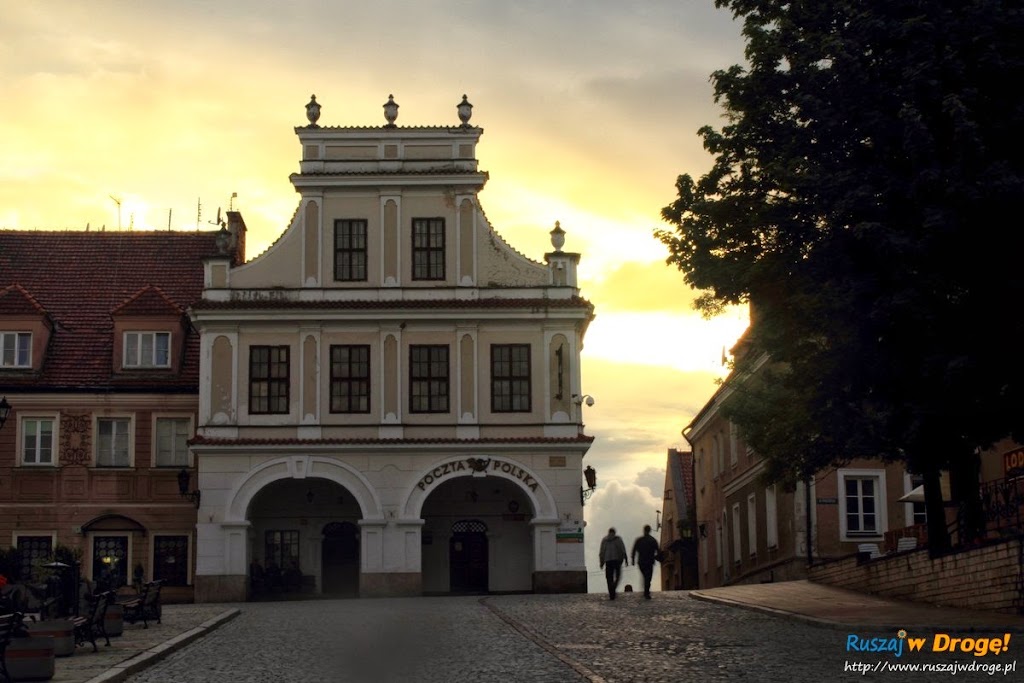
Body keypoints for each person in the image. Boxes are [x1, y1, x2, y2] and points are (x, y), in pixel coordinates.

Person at [631, 524, 662, 599]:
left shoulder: (639, 540)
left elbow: (634, 550)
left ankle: (646, 591)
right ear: (649, 531)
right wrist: (659, 558)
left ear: (644, 530)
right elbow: (658, 550)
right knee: (648, 577)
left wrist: (633, 560)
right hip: (649, 561)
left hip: (641, 561)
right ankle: (646, 592)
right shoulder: (653, 540)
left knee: (646, 576)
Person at [598, 527, 628, 600]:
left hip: (608, 561)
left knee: (609, 578)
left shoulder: (604, 540)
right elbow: (622, 549)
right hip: (617, 560)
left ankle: (611, 593)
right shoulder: (618, 539)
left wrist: (601, 562)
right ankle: (613, 587)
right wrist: (626, 559)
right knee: (618, 576)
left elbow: (602, 552)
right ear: (614, 533)